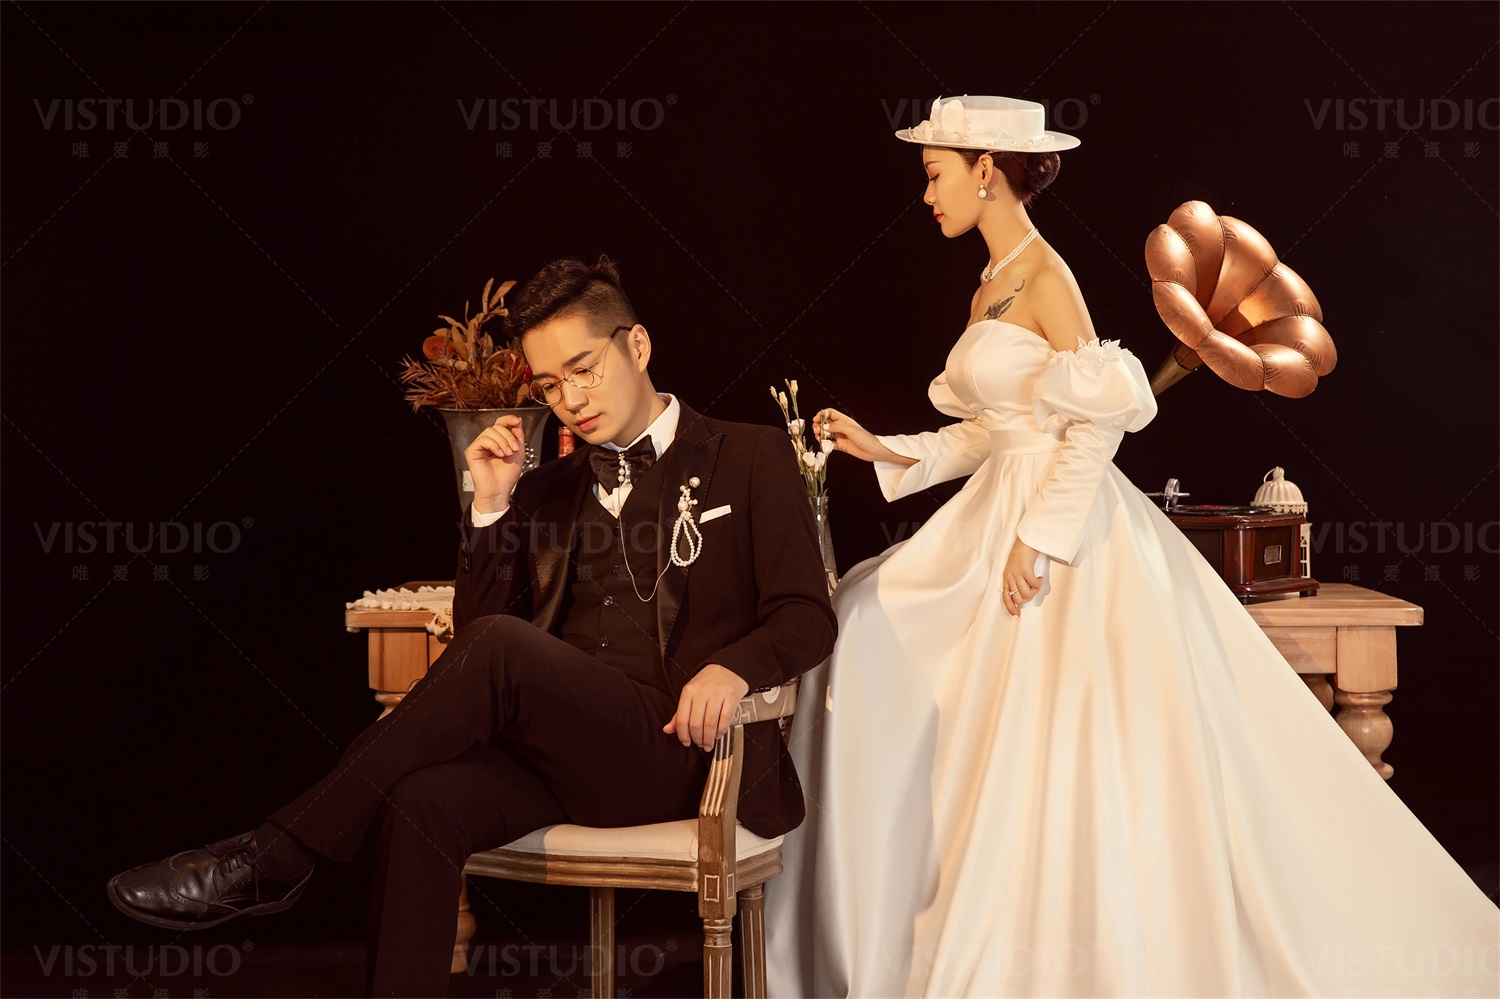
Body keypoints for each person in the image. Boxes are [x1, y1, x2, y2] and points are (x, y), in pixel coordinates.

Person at [764, 96, 1499, 997]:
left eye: (935, 174)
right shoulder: (990, 281)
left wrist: (1040, 538)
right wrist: (884, 448)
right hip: (998, 506)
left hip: (1055, 524)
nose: (927, 195)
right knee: (860, 621)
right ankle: (886, 918)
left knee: (1055, 723)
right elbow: (998, 430)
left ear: (986, 170)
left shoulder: (1046, 275)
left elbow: (1102, 417)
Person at [107, 257, 837, 997]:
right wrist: (489, 506)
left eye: (583, 370)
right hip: (567, 757)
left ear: (638, 345)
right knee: (421, 802)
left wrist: (734, 667)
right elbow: (482, 642)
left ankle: (275, 855)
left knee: (497, 650)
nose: (571, 400)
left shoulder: (749, 455)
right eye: (549, 386)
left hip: (685, 752)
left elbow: (809, 613)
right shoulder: (546, 488)